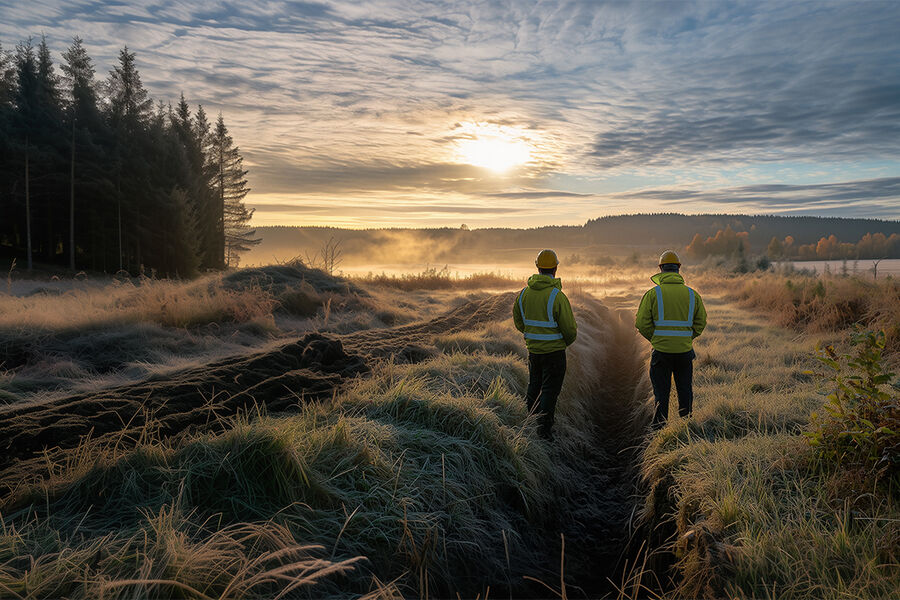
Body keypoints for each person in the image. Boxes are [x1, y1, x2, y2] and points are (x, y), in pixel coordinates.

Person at [635, 250, 707, 428]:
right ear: (679, 269)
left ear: (660, 268)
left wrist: (656, 339)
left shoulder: (653, 294)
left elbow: (641, 323)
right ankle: (686, 430)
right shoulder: (692, 295)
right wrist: (688, 338)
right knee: (685, 393)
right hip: (684, 353)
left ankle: (659, 432)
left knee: (661, 395)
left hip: (661, 353)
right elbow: (701, 322)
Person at [513, 249, 577, 440]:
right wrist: (563, 342)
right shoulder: (557, 296)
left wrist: (533, 336)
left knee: (534, 386)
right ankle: (544, 432)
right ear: (555, 268)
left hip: (533, 351)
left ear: (537, 267)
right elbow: (570, 329)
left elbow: (518, 321)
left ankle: (530, 423)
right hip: (555, 353)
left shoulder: (523, 294)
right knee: (550, 390)